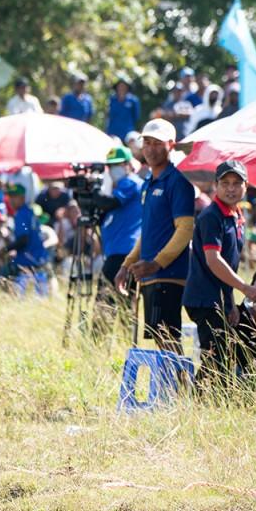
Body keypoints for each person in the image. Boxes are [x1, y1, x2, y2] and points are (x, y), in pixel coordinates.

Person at [114, 119, 195, 351]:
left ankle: (180, 388)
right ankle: (172, 387)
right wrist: (126, 264)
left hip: (168, 274)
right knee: (162, 341)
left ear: (172, 144)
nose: (150, 148)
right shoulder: (148, 183)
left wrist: (157, 263)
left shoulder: (178, 182)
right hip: (151, 273)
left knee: (168, 340)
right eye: (146, 142)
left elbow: (185, 229)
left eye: (157, 143)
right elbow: (147, 232)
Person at [181, 159, 256, 383]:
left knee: (221, 356)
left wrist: (230, 302)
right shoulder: (211, 216)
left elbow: (229, 263)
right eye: (225, 183)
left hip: (218, 298)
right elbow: (214, 260)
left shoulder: (237, 217)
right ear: (216, 185)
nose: (231, 188)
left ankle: (204, 402)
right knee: (218, 359)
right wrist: (245, 287)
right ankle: (199, 403)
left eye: (237, 183)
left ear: (246, 186)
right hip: (203, 298)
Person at [98, 146, 144, 309]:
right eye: (110, 166)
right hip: (117, 251)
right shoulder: (116, 188)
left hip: (124, 252)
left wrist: (93, 197)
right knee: (120, 305)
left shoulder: (131, 182)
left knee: (105, 304)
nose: (112, 169)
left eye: (117, 164)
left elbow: (111, 203)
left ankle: (102, 334)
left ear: (127, 164)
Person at [3, 184, 50, 296]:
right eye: (10, 197)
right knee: (41, 302)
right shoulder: (29, 211)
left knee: (22, 301)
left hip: (29, 264)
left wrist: (5, 249)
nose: (11, 200)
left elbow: (23, 240)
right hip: (39, 262)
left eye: (15, 197)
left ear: (22, 198)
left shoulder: (21, 214)